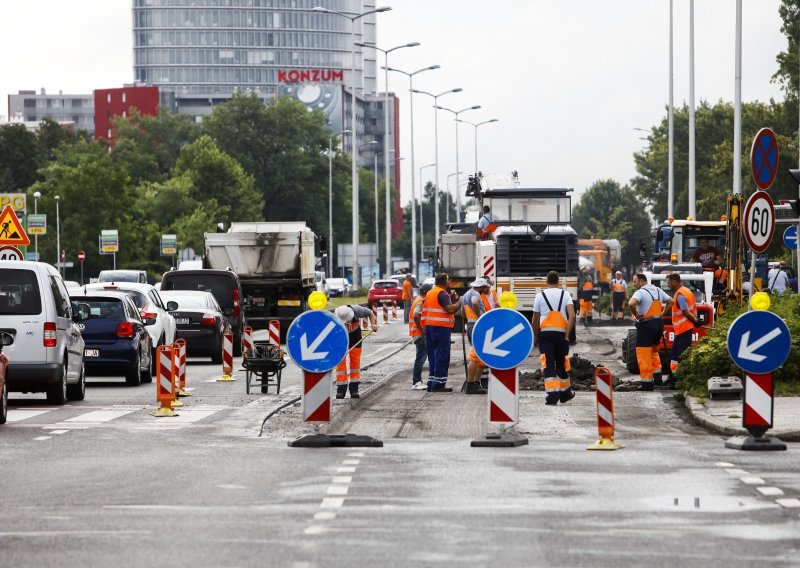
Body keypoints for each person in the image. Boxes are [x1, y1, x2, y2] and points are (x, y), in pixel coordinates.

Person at [532, 271, 576, 405]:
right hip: (561, 334)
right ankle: (565, 394)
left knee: (548, 364)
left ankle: (552, 396)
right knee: (562, 364)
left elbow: (535, 319)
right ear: (559, 281)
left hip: (546, 334)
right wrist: (567, 335)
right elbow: (572, 316)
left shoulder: (540, 296)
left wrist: (535, 337)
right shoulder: (565, 294)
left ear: (547, 281)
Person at [628, 273, 674, 391]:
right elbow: (670, 301)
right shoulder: (658, 290)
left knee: (643, 353)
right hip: (659, 324)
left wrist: (637, 315)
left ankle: (647, 384)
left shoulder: (641, 292)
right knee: (654, 351)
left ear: (642, 281)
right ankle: (658, 379)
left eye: (635, 281)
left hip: (646, 325)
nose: (634, 284)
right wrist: (662, 314)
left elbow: (631, 303)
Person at [421, 273, 463, 392]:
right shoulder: (441, 293)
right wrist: (460, 302)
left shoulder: (431, 292)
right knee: (442, 354)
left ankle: (432, 381)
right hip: (440, 328)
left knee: (433, 354)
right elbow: (449, 309)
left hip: (430, 327)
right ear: (445, 281)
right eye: (448, 279)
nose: (450, 281)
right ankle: (438, 384)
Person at [334, 304, 377, 399]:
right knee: (340, 363)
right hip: (341, 337)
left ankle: (354, 389)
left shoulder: (357, 310)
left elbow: (370, 312)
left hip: (355, 337)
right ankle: (341, 389)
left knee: (355, 362)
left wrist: (373, 324)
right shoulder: (336, 315)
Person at [665, 273, 698, 389]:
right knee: (676, 354)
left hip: (683, 329)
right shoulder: (687, 291)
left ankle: (677, 380)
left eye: (669, 283)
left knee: (677, 356)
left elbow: (685, 311)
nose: (668, 285)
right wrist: (695, 321)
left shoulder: (680, 295)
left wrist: (694, 321)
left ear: (674, 281)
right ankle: (673, 378)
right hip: (684, 329)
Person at [410, 284, 431, 390]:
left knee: (420, 358)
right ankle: (416, 382)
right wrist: (422, 328)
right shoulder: (421, 301)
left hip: (417, 333)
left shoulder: (418, 299)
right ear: (427, 292)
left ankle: (417, 381)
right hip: (419, 334)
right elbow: (416, 315)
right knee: (420, 358)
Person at [462, 277, 490, 343]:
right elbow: (474, 302)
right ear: (481, 287)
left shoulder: (465, 295)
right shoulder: (475, 293)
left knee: (475, 348)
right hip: (477, 325)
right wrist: (479, 317)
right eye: (484, 287)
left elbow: (462, 313)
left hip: (470, 326)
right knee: (480, 348)